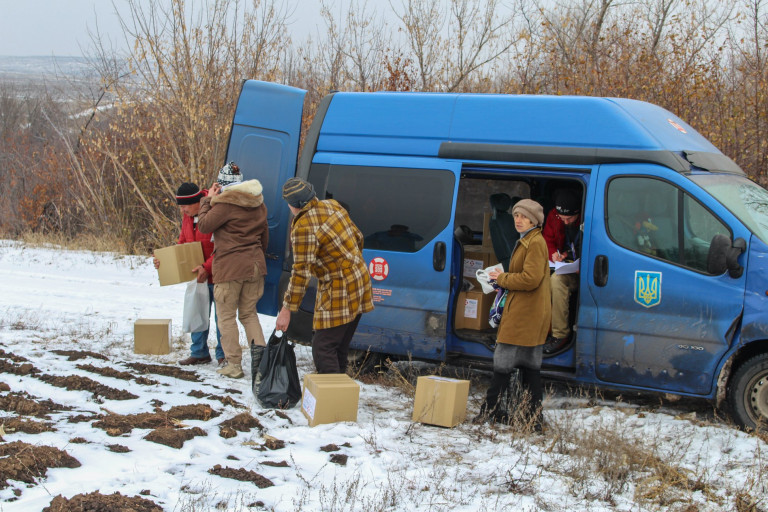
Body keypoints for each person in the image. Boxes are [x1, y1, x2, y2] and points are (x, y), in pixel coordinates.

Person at [275, 177, 374, 374]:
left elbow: (301, 273)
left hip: (340, 288)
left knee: (323, 347)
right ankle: (338, 395)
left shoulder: (303, 227)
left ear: (292, 205)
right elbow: (358, 237)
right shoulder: (333, 205)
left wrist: (286, 309)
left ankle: (333, 399)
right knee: (339, 347)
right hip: (360, 279)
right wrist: (350, 264)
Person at [476, 198, 551, 432]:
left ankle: (491, 411)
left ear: (534, 220)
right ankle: (532, 417)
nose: (518, 220)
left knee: (503, 363)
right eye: (516, 215)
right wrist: (504, 275)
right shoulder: (528, 240)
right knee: (529, 367)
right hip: (528, 312)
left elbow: (530, 279)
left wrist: (502, 279)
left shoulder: (535, 243)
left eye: (524, 216)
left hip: (524, 313)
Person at [197, 162, 268, 379]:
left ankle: (234, 365)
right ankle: (261, 365)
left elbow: (203, 226)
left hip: (230, 267)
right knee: (249, 314)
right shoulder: (259, 204)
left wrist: (208, 198)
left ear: (223, 185)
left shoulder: (225, 204)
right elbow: (265, 239)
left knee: (226, 317)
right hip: (255, 265)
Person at [153, 182, 224, 366]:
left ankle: (224, 355)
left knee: (222, 318)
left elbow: (223, 248)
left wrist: (206, 267)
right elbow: (183, 243)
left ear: (197, 202)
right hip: (196, 277)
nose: (182, 210)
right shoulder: (187, 218)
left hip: (219, 275)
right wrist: (165, 261)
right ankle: (199, 352)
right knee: (197, 314)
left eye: (184, 206)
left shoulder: (214, 210)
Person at [542, 189, 582, 355]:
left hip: (586, 268)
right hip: (566, 266)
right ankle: (559, 334)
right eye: (562, 218)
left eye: (570, 218)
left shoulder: (589, 215)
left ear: (578, 213)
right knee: (555, 280)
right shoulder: (554, 216)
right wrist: (554, 253)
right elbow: (547, 239)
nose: (566, 222)